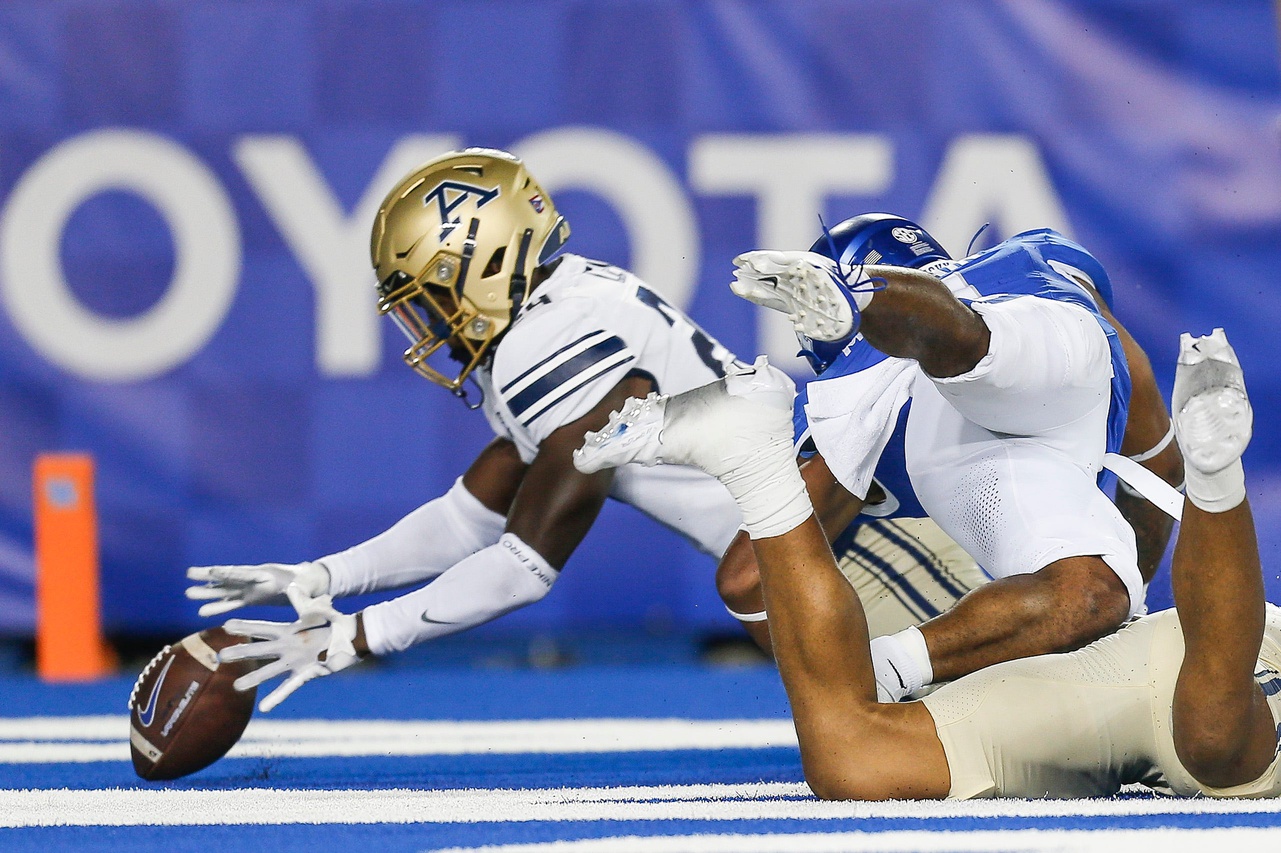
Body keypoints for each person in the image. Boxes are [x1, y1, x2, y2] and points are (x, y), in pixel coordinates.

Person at [575, 329, 1280, 799]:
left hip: (1162, 672)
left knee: (850, 756)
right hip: (1208, 676)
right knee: (1212, 731)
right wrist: (1208, 476)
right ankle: (1213, 471)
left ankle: (755, 457)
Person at [186, 148, 746, 710]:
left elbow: (524, 566)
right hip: (804, 525)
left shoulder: (548, 338)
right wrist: (323, 577)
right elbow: (465, 522)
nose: (428, 326)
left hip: (821, 539)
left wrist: (358, 636)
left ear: (482, 267)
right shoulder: (564, 305)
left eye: (431, 299)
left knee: (751, 580)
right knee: (753, 575)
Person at [718, 215, 1183, 701]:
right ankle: (873, 296)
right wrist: (1134, 597)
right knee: (1095, 594)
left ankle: (881, 673)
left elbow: (748, 582)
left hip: (949, 423)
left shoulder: (850, 390)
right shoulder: (1033, 258)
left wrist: (824, 677)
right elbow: (1160, 461)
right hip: (1049, 344)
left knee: (1092, 596)